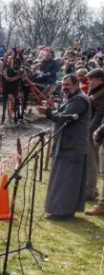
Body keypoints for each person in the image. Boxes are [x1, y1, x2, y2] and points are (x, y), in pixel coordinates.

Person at [38, 74, 91, 220]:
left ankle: (62, 213)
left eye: (67, 85)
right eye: (63, 85)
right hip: (66, 145)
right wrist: (51, 110)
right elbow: (61, 113)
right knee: (63, 180)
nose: (64, 88)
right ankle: (61, 211)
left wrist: (48, 113)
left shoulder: (80, 100)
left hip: (72, 147)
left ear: (76, 84)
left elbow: (65, 118)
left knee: (67, 182)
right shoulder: (73, 98)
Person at [86, 69, 104, 215]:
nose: (89, 81)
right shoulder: (94, 91)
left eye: (92, 79)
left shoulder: (101, 93)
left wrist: (91, 131)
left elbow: (99, 115)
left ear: (100, 79)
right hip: (93, 131)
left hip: (95, 133)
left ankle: (90, 191)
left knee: (92, 162)